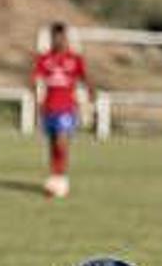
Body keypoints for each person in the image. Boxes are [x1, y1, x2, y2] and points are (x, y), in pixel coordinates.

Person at [31, 22, 95, 198]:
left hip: (66, 108)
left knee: (62, 143)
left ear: (66, 38)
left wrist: (90, 101)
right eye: (55, 37)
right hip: (48, 108)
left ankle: (61, 179)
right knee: (52, 146)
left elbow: (86, 79)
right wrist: (37, 103)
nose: (58, 40)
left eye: (61, 37)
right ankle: (55, 179)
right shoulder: (44, 60)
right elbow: (36, 81)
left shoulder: (74, 59)